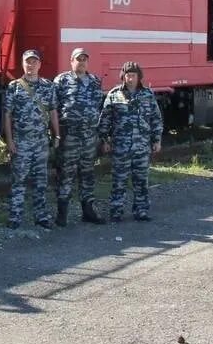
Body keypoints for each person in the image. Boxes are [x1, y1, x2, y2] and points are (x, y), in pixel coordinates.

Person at [99, 60, 164, 222]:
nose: (130, 78)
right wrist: (104, 140)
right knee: (119, 181)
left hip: (142, 146)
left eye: (133, 75)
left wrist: (157, 140)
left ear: (139, 77)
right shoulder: (114, 95)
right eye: (127, 75)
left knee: (141, 181)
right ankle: (116, 210)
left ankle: (141, 210)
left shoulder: (148, 95)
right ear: (123, 76)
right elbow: (105, 120)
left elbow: (156, 119)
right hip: (121, 147)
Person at [2, 48, 59, 229]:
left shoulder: (48, 86)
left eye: (34, 62)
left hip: (41, 141)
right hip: (21, 141)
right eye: (27, 61)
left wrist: (56, 134)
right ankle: (15, 217)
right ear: (23, 64)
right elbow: (7, 115)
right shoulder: (14, 87)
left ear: (39, 64)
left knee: (40, 181)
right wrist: (10, 141)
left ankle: (41, 216)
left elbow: (53, 111)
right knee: (18, 180)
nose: (31, 65)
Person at [53, 47, 106, 226]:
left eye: (84, 59)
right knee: (66, 173)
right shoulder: (62, 80)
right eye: (78, 59)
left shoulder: (94, 81)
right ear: (71, 61)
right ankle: (62, 214)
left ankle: (88, 211)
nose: (81, 62)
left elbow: (99, 105)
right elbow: (54, 108)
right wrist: (56, 134)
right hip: (70, 137)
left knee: (87, 173)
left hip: (89, 137)